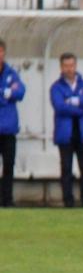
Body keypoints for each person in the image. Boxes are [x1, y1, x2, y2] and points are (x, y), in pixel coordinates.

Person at [50, 53, 83, 208]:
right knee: (66, 169)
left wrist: (74, 101)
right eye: (66, 66)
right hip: (65, 134)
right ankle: (68, 201)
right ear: (61, 67)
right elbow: (60, 106)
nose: (69, 69)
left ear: (75, 66)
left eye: (71, 65)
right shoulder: (56, 87)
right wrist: (81, 110)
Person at [0, 39, 26, 208]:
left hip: (8, 129)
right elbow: (12, 94)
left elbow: (21, 92)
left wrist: (3, 93)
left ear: (4, 52)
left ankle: (7, 200)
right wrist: (7, 93)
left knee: (9, 166)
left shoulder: (11, 73)